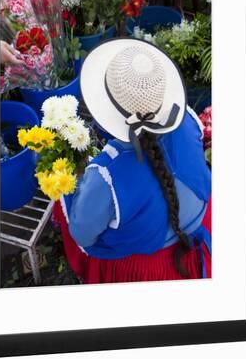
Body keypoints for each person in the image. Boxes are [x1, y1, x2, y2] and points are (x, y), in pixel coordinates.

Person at [53, 38, 211, 283]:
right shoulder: (188, 121)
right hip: (193, 226)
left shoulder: (105, 174)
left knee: (63, 196)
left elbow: (82, 235)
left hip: (144, 267)